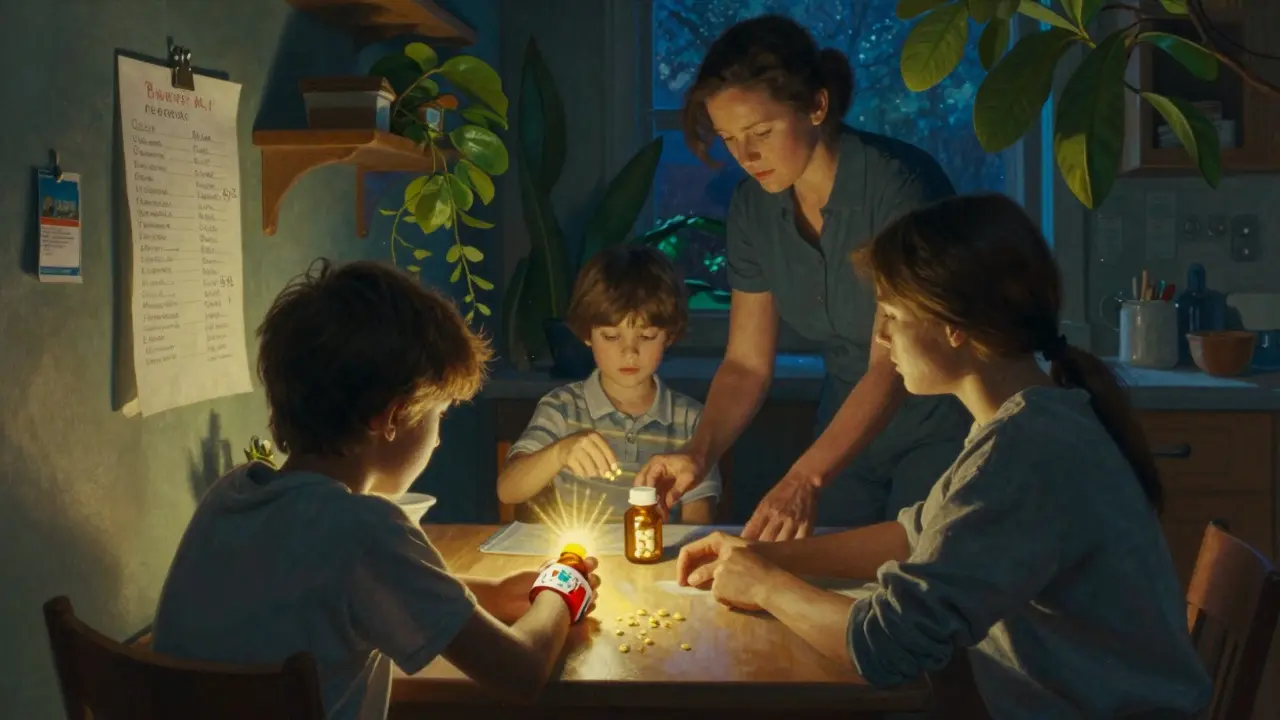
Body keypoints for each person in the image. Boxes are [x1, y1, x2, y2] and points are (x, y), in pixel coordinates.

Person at [671, 194, 1212, 718]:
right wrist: (768, 555)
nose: (882, 338)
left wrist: (765, 585)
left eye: (891, 315)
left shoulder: (1026, 451)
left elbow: (888, 647)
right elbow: (917, 535)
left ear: (953, 326)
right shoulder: (1028, 419)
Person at [151, 259, 602, 720]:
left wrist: (490, 593)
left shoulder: (232, 494)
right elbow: (520, 671)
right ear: (391, 417)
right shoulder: (363, 529)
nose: (438, 439)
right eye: (439, 415)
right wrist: (562, 587)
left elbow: (340, 588)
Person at [635, 14, 971, 541]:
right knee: (813, 564)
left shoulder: (898, 188)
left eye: (761, 133)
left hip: (940, 424)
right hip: (844, 429)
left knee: (919, 565)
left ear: (817, 105)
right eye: (728, 139)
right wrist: (699, 454)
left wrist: (805, 478)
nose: (746, 156)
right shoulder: (754, 209)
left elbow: (890, 364)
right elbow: (746, 365)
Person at [499, 245, 721, 524]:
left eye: (647, 336)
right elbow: (508, 489)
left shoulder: (692, 420)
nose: (629, 353)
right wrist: (560, 452)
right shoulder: (562, 408)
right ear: (587, 334)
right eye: (612, 337)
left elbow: (698, 524)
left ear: (669, 335)